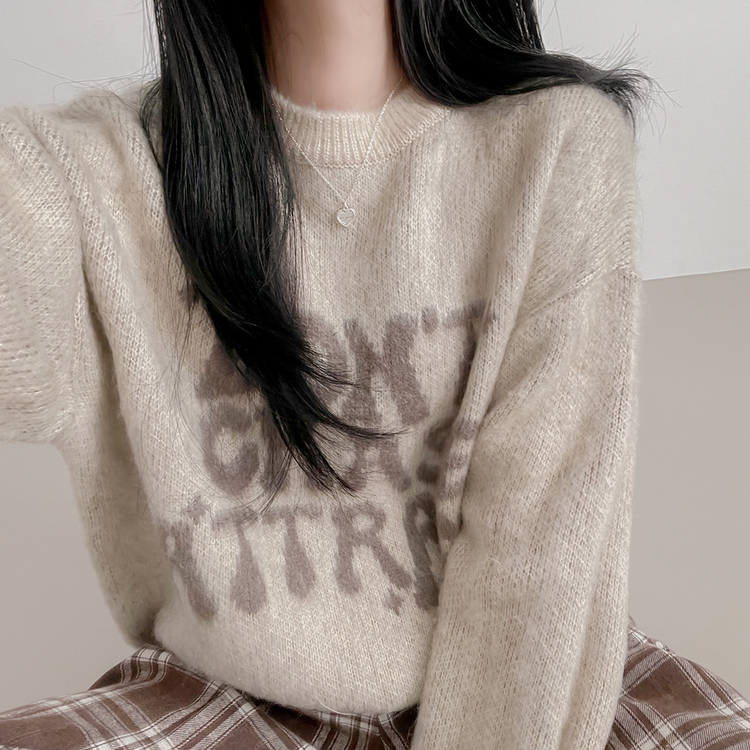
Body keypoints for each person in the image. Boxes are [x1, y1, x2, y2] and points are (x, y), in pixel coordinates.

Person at [1, 0, 749, 748]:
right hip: (231, 698)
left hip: (522, 684)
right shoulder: (103, 172)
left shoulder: (556, 146)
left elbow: (536, 558)